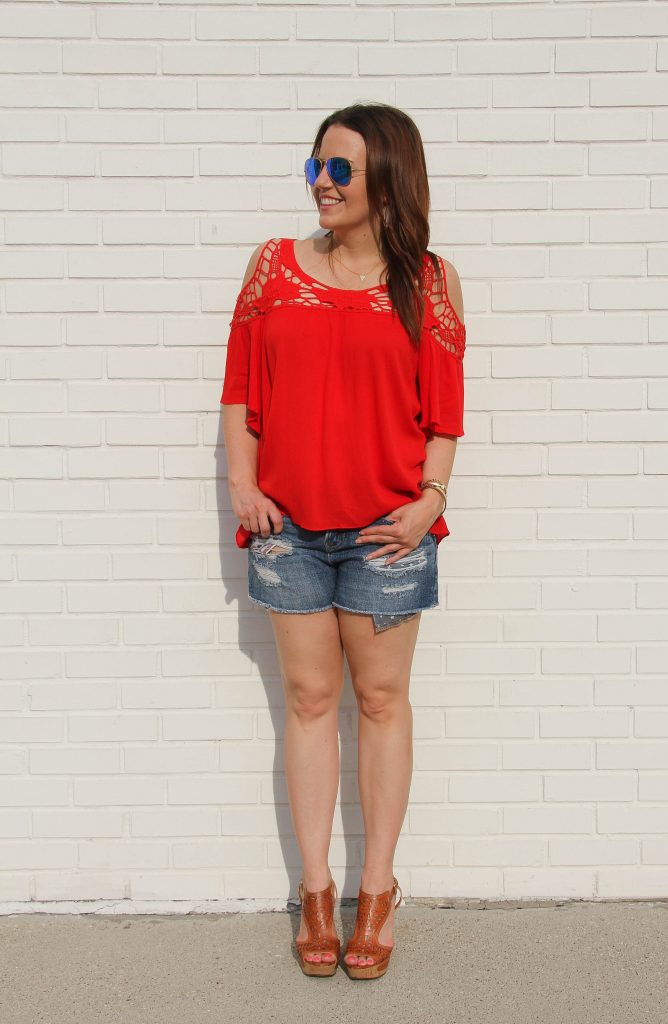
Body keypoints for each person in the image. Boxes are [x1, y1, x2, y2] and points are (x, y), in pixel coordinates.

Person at [219, 102, 466, 980]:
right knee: (311, 702)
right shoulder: (273, 269)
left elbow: (444, 415)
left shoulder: (430, 282)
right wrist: (245, 485)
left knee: (382, 704)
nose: (321, 184)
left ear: (387, 179)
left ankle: (378, 890)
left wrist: (430, 496)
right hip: (287, 527)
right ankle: (318, 895)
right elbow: (240, 392)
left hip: (386, 535)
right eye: (316, 167)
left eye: (341, 170)